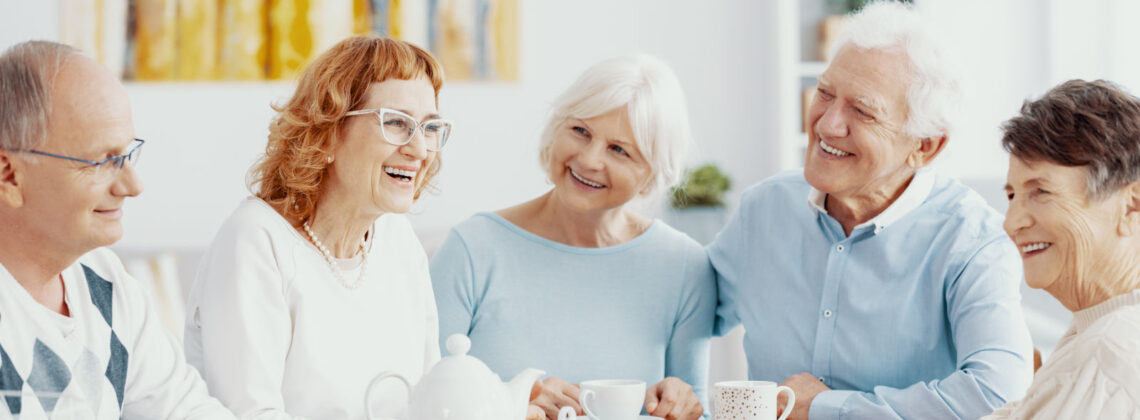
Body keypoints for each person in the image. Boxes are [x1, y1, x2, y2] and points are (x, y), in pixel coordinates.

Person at [707, 2, 1033, 419]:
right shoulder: (764, 210)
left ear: (924, 146)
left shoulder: (972, 241)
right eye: (824, 93)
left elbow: (998, 394)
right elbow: (682, 304)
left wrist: (827, 408)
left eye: (862, 111)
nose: (827, 125)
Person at [431, 54, 714, 420]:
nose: (589, 159)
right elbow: (419, 396)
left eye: (619, 150)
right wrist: (512, 401)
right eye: (580, 131)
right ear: (556, 128)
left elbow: (695, 407)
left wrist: (684, 406)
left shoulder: (685, 266)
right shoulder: (472, 248)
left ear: (652, 173)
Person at [183, 36, 450, 419]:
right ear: (327, 131)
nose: (420, 150)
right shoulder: (257, 240)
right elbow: (250, 413)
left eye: (429, 127)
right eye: (395, 122)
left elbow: (428, 398)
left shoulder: (398, 240)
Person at [0, 41, 233, 419]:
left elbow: (186, 410)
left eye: (126, 155)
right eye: (101, 162)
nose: (132, 185)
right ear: (9, 174)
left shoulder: (106, 284)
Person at [983, 80, 1140, 419]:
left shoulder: (1110, 347)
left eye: (1041, 192)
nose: (1011, 223)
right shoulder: (1094, 334)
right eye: (1012, 196)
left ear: (1131, 206)